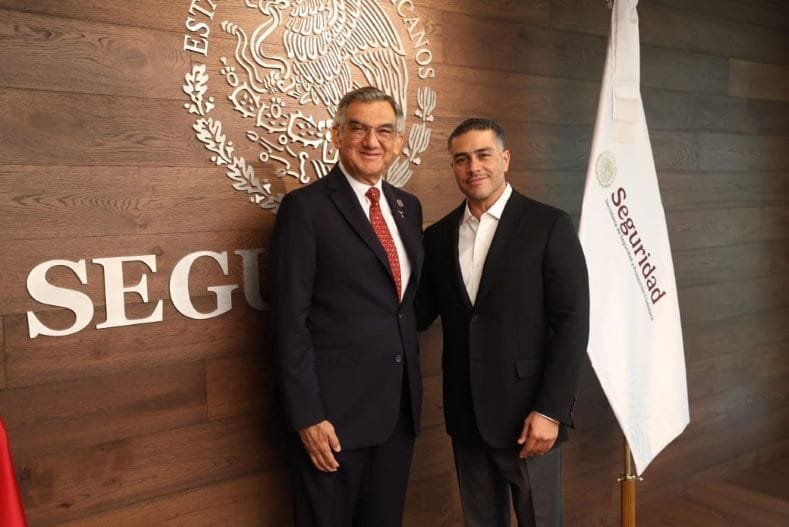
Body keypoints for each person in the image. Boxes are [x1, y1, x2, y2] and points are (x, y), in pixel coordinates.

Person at [416, 118, 589, 526]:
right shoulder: (437, 237)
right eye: (462, 159)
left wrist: (551, 410)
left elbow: (573, 323)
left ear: (505, 158)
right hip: (466, 416)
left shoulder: (549, 225)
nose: (473, 167)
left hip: (530, 418)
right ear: (452, 166)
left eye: (483, 155)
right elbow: (419, 314)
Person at [268, 86, 424, 527]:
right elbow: (288, 322)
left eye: (384, 131)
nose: (371, 141)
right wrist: (308, 416)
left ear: (398, 142)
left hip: (397, 413)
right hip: (333, 421)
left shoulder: (407, 207)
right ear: (337, 135)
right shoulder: (305, 208)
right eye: (358, 129)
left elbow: (401, 306)